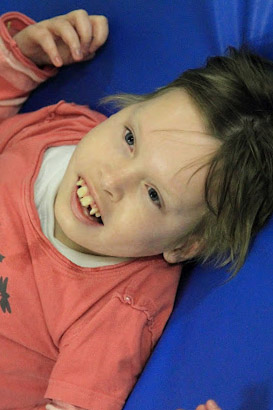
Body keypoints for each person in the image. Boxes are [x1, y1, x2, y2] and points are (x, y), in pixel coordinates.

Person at [0, 8, 272, 410]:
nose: (111, 181)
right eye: (129, 138)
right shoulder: (66, 127)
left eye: (154, 195)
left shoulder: (120, 310)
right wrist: (23, 57)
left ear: (185, 245)